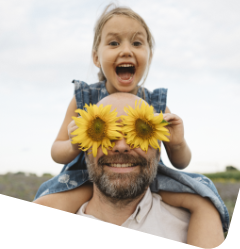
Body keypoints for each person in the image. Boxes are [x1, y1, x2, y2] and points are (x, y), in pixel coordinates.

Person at [32, 2, 229, 241]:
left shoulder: (155, 103)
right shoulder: (84, 99)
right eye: (114, 42)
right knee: (47, 200)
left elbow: (182, 163)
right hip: (85, 178)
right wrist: (75, 143)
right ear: (96, 57)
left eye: (136, 43)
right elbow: (56, 151)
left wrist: (177, 144)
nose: (126, 50)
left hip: (149, 177)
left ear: (149, 55)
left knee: (203, 196)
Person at [75, 92, 224, 246]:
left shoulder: (196, 226)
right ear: (86, 152)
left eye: (140, 132)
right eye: (104, 133)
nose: (121, 146)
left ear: (158, 153)